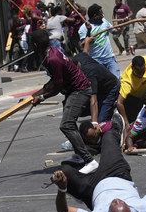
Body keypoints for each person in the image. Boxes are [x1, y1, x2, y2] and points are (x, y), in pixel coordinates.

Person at [30, 29, 99, 174]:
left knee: (66, 125)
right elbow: (56, 79)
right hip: (73, 89)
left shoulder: (52, 59)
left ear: (36, 46)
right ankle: (80, 156)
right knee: (70, 124)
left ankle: (89, 161)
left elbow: (58, 87)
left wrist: (42, 97)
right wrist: (44, 88)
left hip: (80, 90)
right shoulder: (51, 52)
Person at [72, 37, 120, 123]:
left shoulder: (88, 74)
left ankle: (114, 110)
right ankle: (106, 109)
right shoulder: (79, 57)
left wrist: (94, 122)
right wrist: (87, 42)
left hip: (111, 88)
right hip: (100, 85)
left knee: (101, 122)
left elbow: (93, 99)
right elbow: (86, 51)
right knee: (80, 110)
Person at [116, 55, 146, 130]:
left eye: (143, 71)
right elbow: (119, 103)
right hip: (133, 99)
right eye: (138, 72)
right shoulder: (127, 81)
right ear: (133, 69)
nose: (141, 74)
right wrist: (126, 124)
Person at [78, 3, 120, 79]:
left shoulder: (104, 22)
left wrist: (120, 29)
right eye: (101, 14)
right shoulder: (83, 28)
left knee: (116, 79)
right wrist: (89, 31)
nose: (103, 16)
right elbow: (85, 44)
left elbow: (114, 32)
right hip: (96, 60)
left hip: (109, 58)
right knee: (103, 82)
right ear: (95, 16)